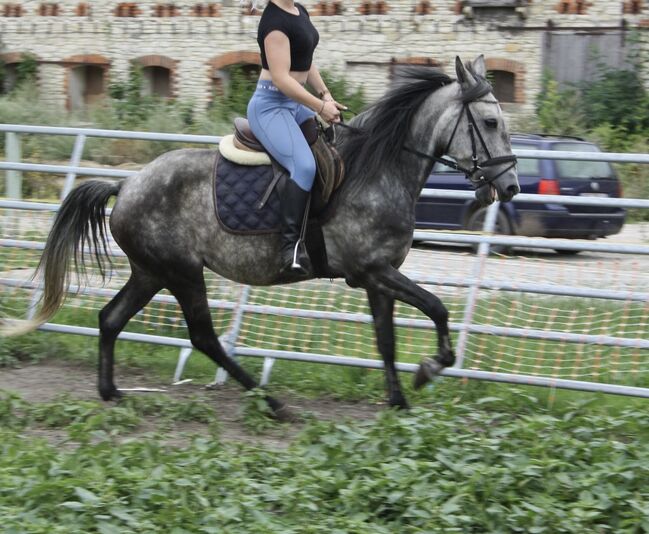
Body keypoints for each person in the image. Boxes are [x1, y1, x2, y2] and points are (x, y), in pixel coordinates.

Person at [245, 0, 344, 275]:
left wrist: (326, 95)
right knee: (304, 165)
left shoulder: (299, 9)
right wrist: (318, 107)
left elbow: (305, 61)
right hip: (270, 106)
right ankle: (289, 250)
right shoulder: (273, 22)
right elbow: (281, 79)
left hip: (294, 102)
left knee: (333, 147)